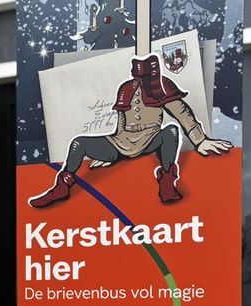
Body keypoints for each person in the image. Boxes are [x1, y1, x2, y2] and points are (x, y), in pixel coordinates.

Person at [28, 54, 233, 206]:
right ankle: (62, 187)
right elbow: (121, 120)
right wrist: (108, 153)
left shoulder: (160, 86)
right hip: (121, 142)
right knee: (78, 143)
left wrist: (200, 140)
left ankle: (167, 181)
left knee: (171, 131)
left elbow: (182, 113)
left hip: (151, 137)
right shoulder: (126, 88)